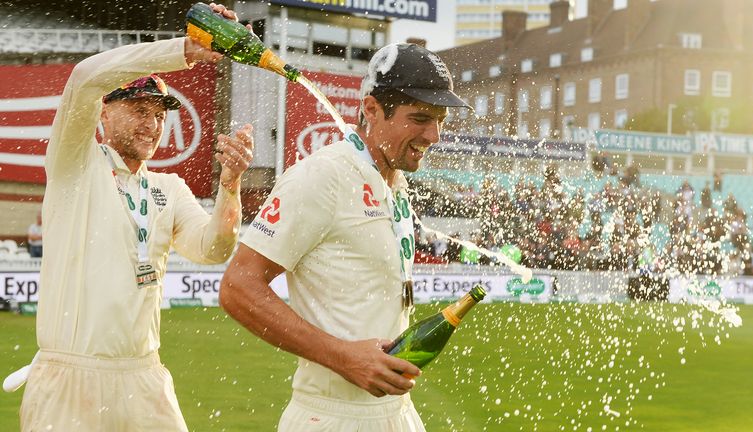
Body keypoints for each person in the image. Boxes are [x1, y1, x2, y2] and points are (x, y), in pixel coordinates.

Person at [14, 4, 253, 431]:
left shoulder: (169, 188)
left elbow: (214, 248)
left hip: (144, 377)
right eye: (140, 110)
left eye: (160, 114)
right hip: (71, 377)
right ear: (104, 112)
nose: (154, 124)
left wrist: (230, 186)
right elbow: (85, 78)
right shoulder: (76, 164)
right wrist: (187, 49)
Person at [219, 43, 470, 431]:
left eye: (440, 120)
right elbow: (238, 286)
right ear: (371, 110)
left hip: (395, 413)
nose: (434, 135)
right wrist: (343, 357)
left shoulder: (394, 182)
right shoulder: (323, 176)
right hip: (332, 417)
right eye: (420, 118)